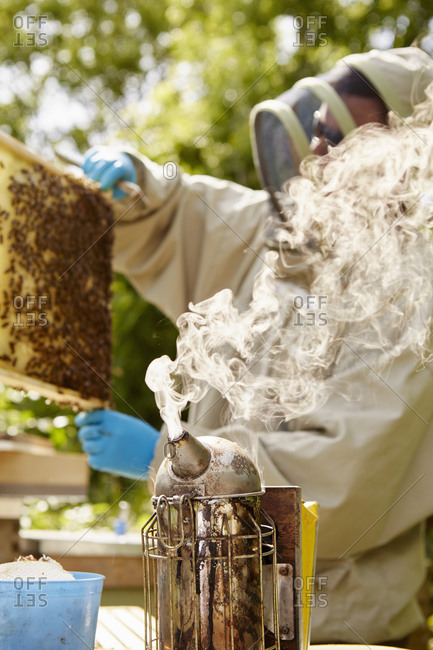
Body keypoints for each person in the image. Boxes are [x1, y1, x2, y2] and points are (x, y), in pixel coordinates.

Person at [76, 47, 433, 644]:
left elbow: (335, 484)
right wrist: (138, 188)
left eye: (346, 136)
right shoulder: (286, 241)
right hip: (217, 611)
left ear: (405, 152)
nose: (319, 152)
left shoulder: (410, 291)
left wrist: (171, 464)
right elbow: (187, 216)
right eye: (319, 129)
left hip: (338, 630)